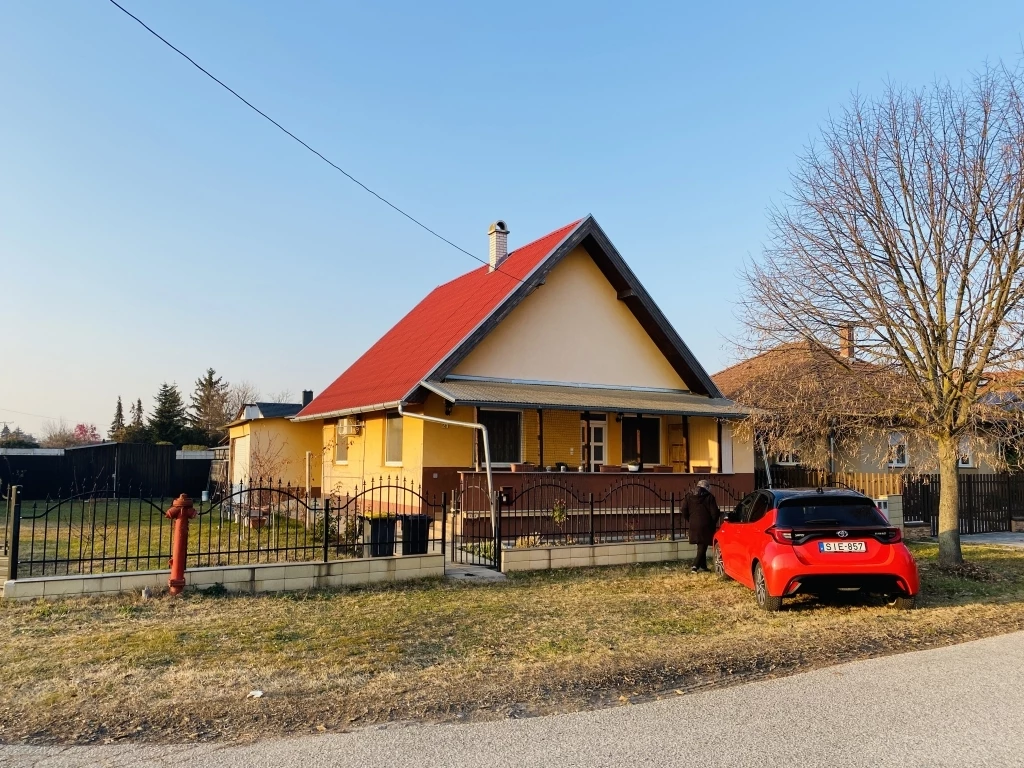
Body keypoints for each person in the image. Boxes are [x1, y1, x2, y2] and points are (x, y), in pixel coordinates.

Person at [684, 479, 721, 572]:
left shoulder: (689, 495)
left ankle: (703, 566)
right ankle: (695, 566)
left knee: (701, 544)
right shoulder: (709, 497)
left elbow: (683, 509)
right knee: (703, 544)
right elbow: (715, 513)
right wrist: (712, 522)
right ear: (707, 487)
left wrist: (690, 519)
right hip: (706, 524)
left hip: (693, 523)